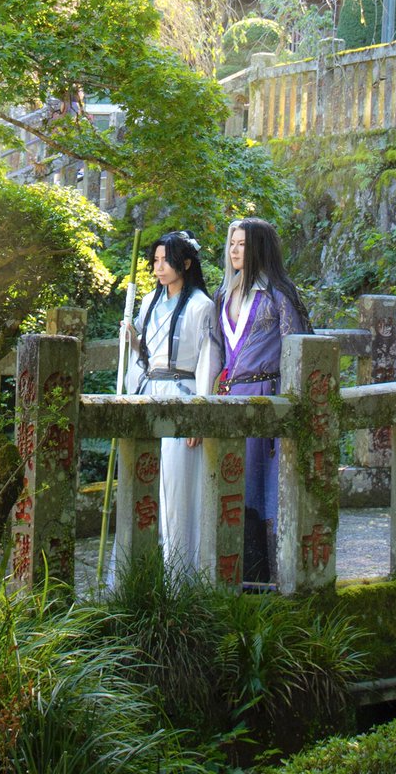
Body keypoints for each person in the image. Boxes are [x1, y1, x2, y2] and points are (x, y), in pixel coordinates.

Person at [214, 217, 312, 584]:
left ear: (259, 248)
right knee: (233, 482)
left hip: (267, 396)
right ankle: (235, 572)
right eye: (232, 243)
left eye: (242, 244)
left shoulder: (277, 295)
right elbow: (216, 352)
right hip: (231, 397)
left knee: (265, 487)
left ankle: (272, 574)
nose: (234, 250)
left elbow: (297, 348)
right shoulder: (224, 294)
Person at [125, 230, 221, 573]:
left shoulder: (201, 306)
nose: (159, 268)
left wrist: (199, 413)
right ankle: (140, 571)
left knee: (178, 488)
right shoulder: (149, 301)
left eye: (166, 261)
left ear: (187, 263)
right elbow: (144, 354)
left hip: (182, 397)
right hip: (150, 393)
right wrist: (131, 338)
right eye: (155, 261)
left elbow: (208, 360)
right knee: (142, 481)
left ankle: (181, 573)